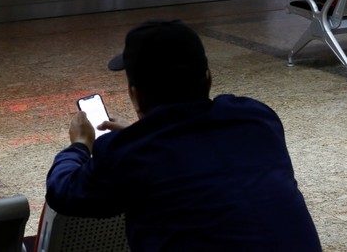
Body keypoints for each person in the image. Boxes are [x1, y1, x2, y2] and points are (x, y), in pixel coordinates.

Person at [46, 19, 321, 251]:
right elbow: (197, 152)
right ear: (209, 78)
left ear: (134, 94)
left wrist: (80, 146)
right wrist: (138, 135)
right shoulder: (257, 118)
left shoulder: (128, 153)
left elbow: (64, 193)